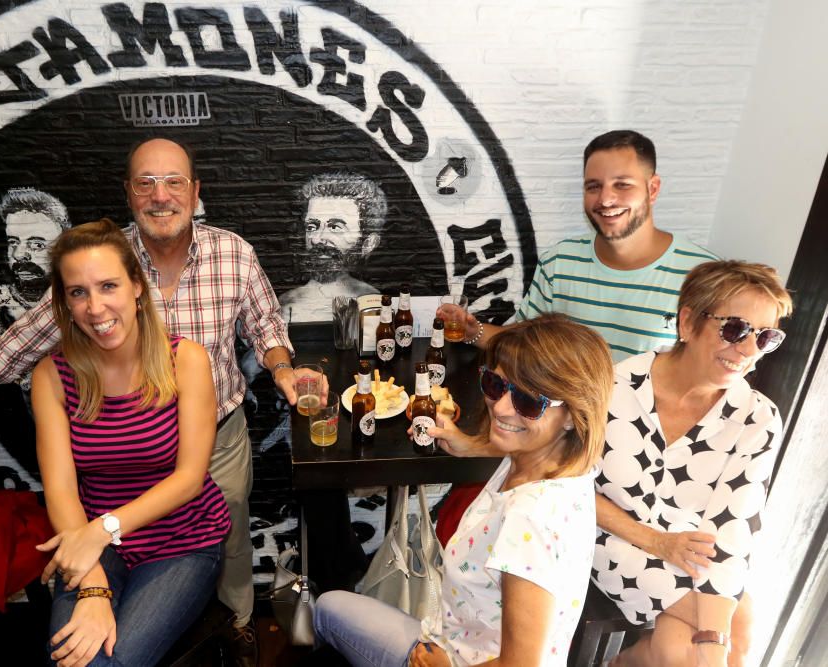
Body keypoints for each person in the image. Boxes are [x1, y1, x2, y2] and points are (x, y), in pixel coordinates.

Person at [0, 137, 307, 665]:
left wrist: (284, 369)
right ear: (129, 194)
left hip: (213, 438)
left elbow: (265, 325)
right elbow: (26, 337)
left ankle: (237, 626)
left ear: (195, 193)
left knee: (231, 542)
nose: (160, 196)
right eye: (146, 183)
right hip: (119, 474)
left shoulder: (231, 254)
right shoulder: (104, 263)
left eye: (174, 182)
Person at [315, 314, 615, 666]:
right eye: (495, 384)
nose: (502, 407)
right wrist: (469, 444)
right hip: (451, 636)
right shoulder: (558, 463)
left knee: (326, 609)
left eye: (530, 402)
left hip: (454, 661)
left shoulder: (530, 519)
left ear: (572, 416)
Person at [33, 219, 230, 666]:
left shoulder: (187, 360)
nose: (96, 307)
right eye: (78, 292)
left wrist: (100, 530)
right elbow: (61, 491)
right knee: (73, 660)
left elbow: (188, 480)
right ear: (64, 301)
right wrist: (94, 584)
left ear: (137, 286)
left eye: (108, 286)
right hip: (96, 546)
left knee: (114, 661)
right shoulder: (51, 377)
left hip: (183, 540)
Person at [592, 260, 792, 667]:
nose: (749, 349)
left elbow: (733, 529)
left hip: (691, 552)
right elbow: (564, 486)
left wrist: (712, 651)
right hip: (604, 533)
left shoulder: (758, 417)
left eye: (766, 337)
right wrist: (654, 541)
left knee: (726, 637)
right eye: (735, 329)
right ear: (687, 322)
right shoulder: (610, 388)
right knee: (726, 635)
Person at [440, 130, 718, 362]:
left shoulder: (704, 276)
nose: (606, 199)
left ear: (653, 189)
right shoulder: (559, 262)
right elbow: (524, 340)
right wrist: (472, 331)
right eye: (593, 186)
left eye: (622, 185)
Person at [279, 172, 386, 322]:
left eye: (335, 227)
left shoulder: (373, 303)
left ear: (369, 243)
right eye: (312, 226)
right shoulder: (286, 305)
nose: (317, 239)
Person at [0, 188, 71, 346]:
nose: (19, 254)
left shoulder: (75, 297)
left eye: (37, 244)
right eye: (13, 242)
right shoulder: (1, 299)